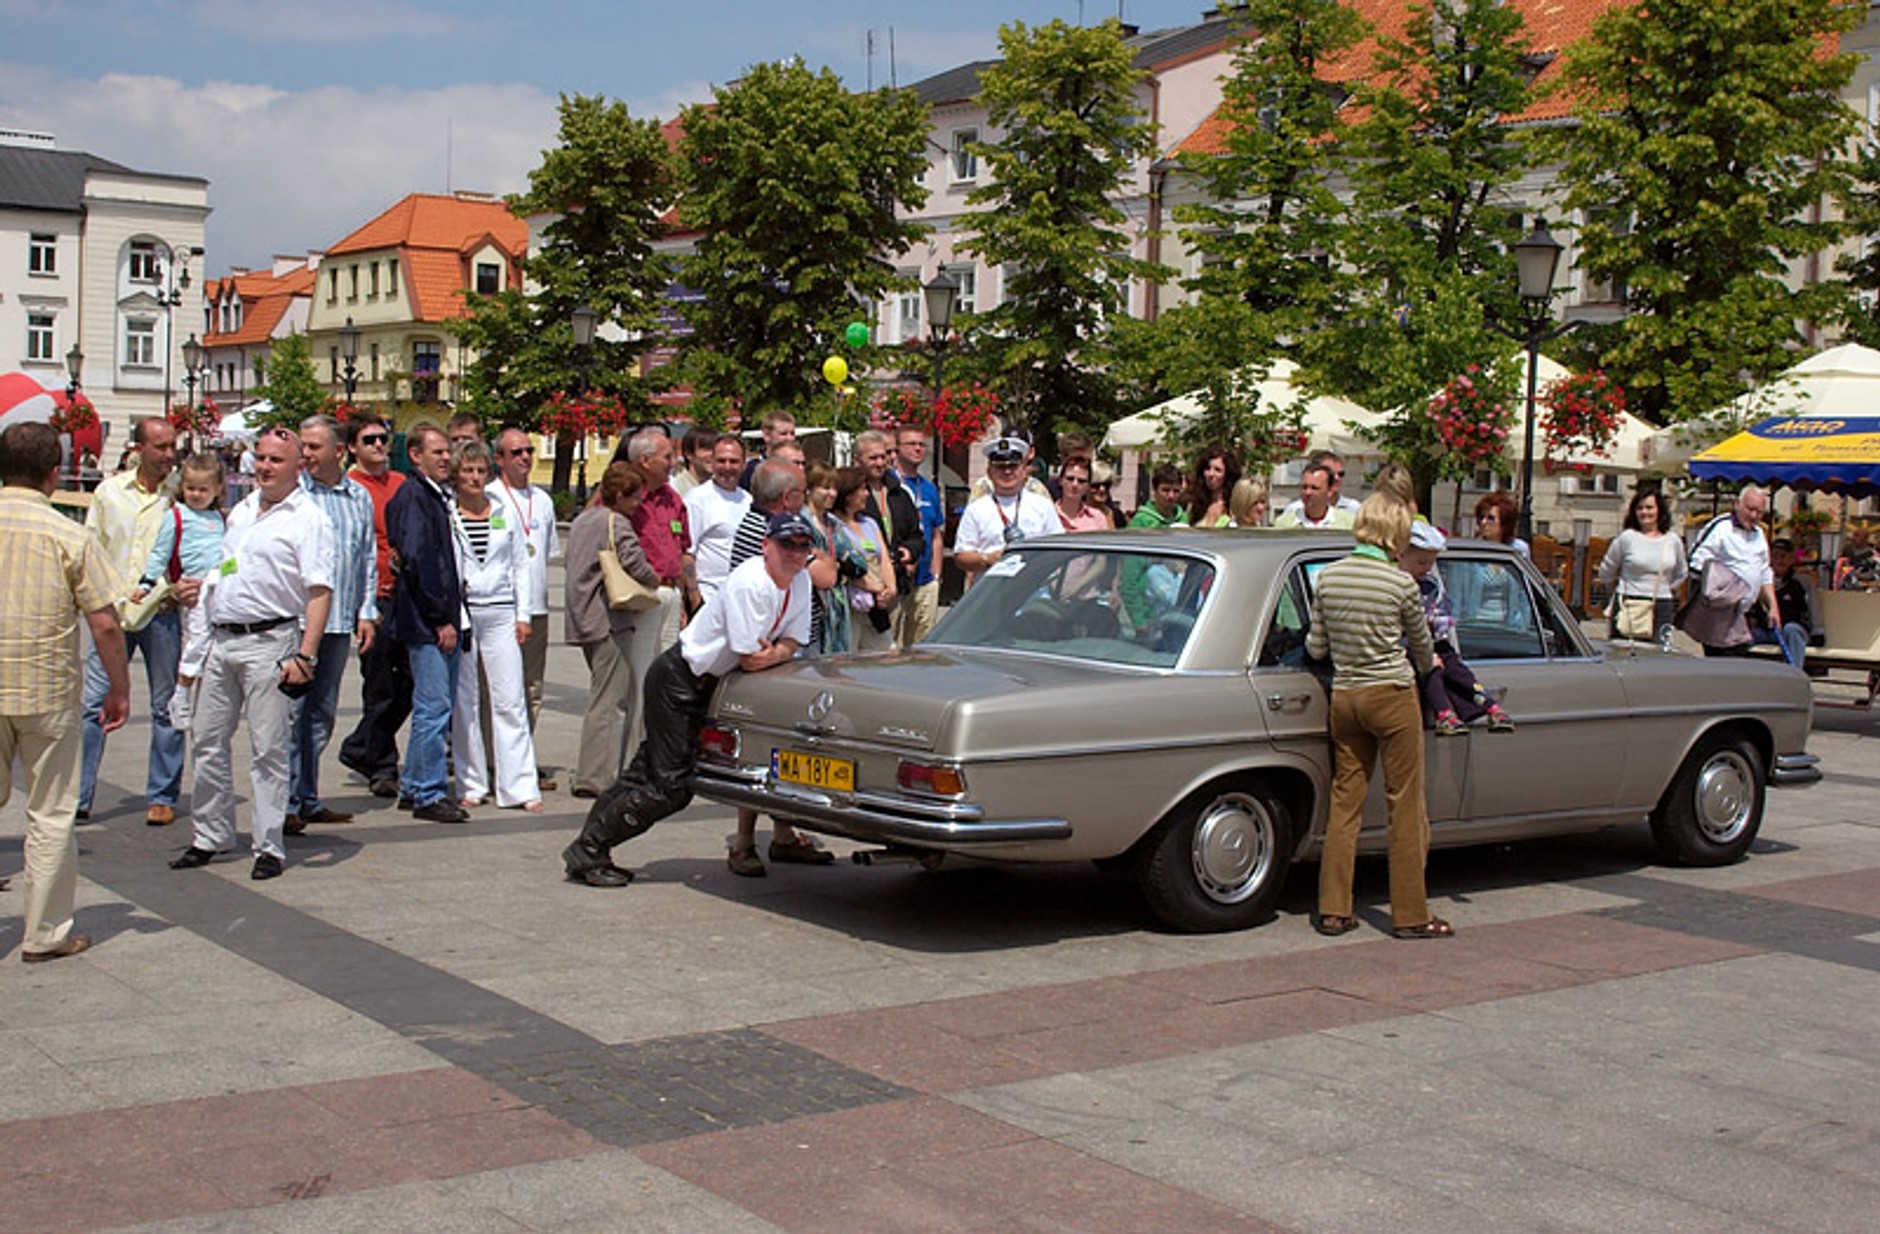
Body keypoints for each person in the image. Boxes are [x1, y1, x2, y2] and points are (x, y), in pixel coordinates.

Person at [561, 512, 816, 887]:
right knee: (671, 787)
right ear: (766, 546)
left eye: (803, 546)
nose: (795, 553)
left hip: (704, 684)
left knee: (644, 771)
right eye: (786, 544)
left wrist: (776, 651)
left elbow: (794, 643)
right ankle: (590, 848)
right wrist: (780, 651)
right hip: (679, 680)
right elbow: (751, 657)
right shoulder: (751, 582)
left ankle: (589, 847)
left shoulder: (801, 582)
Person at [169, 426, 334, 881]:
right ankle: (210, 834)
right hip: (223, 638)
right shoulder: (242, 510)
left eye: (275, 460)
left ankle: (269, 844)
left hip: (270, 641)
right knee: (206, 741)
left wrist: (306, 654)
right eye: (260, 458)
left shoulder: (309, 518)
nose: (263, 467)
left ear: (297, 466)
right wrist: (205, 587)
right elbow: (232, 568)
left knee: (268, 749)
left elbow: (320, 590)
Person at [1, 422, 130, 961]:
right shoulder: (69, 535)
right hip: (45, 688)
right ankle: (45, 933)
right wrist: (118, 689)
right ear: (54, 474)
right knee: (51, 812)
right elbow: (104, 622)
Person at [1307, 492, 1450, 940]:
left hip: (1345, 697)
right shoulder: (1400, 583)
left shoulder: (1329, 578)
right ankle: (1410, 914)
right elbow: (1422, 648)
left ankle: (1333, 909)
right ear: (1394, 531)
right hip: (1391, 693)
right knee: (1404, 804)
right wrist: (1432, 668)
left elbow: (1316, 646)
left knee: (1345, 804)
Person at [723, 459, 837, 877]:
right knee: (759, 745)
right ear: (788, 497)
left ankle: (784, 833)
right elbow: (826, 573)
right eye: (803, 492)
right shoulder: (770, 532)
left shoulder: (770, 526)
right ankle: (745, 842)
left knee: (786, 745)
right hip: (759, 658)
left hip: (780, 651)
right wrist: (781, 652)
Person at [78, 416, 182, 826]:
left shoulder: (182, 493)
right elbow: (91, 549)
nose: (169, 455)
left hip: (161, 610)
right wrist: (93, 603)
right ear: (139, 448)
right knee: (92, 706)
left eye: (173, 446)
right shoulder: (109, 493)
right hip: (115, 612)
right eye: (160, 447)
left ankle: (162, 794)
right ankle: (81, 794)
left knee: (167, 706)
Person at [283, 415, 378, 834]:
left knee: (320, 713)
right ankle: (285, 801)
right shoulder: (293, 496)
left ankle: (307, 795)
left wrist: (367, 610)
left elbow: (367, 556)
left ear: (339, 451)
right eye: (303, 446)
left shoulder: (356, 496)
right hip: (299, 622)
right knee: (290, 712)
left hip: (339, 622)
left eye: (313, 447)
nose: (305, 454)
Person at [444, 439, 540, 812]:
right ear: (456, 474)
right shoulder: (448, 513)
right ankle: (471, 783)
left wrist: (523, 614)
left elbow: (520, 564)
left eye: (481, 470)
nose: (474, 477)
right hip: (467, 612)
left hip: (501, 610)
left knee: (510, 698)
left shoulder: (503, 510)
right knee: (465, 701)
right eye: (467, 470)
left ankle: (519, 786)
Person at [384, 425, 467, 823]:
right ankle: (428, 792)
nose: (444, 458)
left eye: (446, 451)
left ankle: (416, 784)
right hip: (426, 621)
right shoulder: (415, 496)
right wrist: (441, 619)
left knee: (433, 705)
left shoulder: (434, 496)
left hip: (436, 616)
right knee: (434, 707)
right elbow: (419, 561)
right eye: (436, 452)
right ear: (415, 455)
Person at [565, 462, 661, 798]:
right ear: (620, 496)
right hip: (608, 618)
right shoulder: (616, 522)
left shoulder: (582, 520)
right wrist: (655, 579)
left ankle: (593, 772)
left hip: (582, 619)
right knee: (610, 701)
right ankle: (596, 778)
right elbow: (635, 563)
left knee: (601, 695)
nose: (638, 505)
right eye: (635, 498)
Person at [337, 413, 409, 799]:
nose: (379, 445)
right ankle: (381, 763)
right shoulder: (350, 488)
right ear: (352, 447)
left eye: (383, 439)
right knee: (379, 682)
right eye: (369, 440)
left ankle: (360, 745)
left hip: (404, 594)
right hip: (373, 597)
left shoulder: (400, 483)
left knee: (411, 682)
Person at [129, 452, 226, 735]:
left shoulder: (220, 518)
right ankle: (181, 692)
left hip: (221, 584)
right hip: (196, 587)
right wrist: (146, 584)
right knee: (198, 638)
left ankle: (204, 699)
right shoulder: (176, 515)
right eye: (190, 488)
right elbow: (159, 553)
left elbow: (232, 553)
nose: (195, 494)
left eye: (203, 489)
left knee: (215, 649)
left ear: (218, 490)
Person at [622, 428, 695, 772]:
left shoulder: (672, 498)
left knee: (666, 678)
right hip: (642, 596)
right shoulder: (626, 496)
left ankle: (658, 751)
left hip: (670, 593)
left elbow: (683, 550)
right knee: (638, 680)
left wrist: (687, 597)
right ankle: (631, 756)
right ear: (644, 460)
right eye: (667, 457)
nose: (673, 462)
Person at [1401, 521, 1515, 735]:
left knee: (1452, 662)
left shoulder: (1430, 585)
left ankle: (1488, 705)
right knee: (1430, 667)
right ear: (1400, 556)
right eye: (1421, 563)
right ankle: (1444, 713)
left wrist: (1436, 623)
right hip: (1408, 648)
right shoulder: (1397, 585)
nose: (1425, 569)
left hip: (1431, 641)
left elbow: (1443, 612)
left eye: (1430, 563)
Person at [493, 427, 560, 789]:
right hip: (502, 607)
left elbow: (546, 553)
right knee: (500, 689)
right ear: (499, 459)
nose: (524, 458)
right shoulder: (490, 497)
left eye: (529, 451)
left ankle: (523, 760)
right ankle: (495, 760)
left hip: (537, 606)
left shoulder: (543, 500)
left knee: (532, 689)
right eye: (515, 452)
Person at [954, 433, 1062, 587]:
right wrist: (987, 559)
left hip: (1033, 589)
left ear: (1024, 470)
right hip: (990, 589)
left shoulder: (1042, 506)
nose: (1007, 472)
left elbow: (1057, 548)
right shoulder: (976, 509)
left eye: (1013, 466)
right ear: (989, 472)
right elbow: (961, 556)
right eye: (1000, 467)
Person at [1687, 485, 1780, 658]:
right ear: (1737, 504)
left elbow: (1764, 571)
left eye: (1759, 512)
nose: (1753, 516)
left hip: (1746, 614)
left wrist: (1773, 607)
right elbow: (1696, 563)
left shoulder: (1759, 534)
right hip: (1720, 615)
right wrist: (1725, 587)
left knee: (1740, 667)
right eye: (1750, 509)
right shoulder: (1721, 528)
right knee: (1722, 668)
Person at [856, 428, 924, 647]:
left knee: (891, 648)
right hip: (864, 588)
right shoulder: (851, 493)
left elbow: (916, 535)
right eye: (872, 458)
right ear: (858, 460)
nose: (879, 462)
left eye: (883, 456)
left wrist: (909, 551)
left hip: (895, 583)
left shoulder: (899, 494)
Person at [1597, 488, 1687, 643]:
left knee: (1658, 656)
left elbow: (1682, 572)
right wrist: (1620, 588)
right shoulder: (1627, 538)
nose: (1645, 512)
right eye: (1640, 508)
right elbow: (1606, 571)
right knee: (1623, 652)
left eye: (1649, 507)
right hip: (1629, 604)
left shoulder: (1672, 540)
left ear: (1659, 510)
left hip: (1661, 604)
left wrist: (1666, 587)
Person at [833, 465, 898, 650]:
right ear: (847, 495)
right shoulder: (833, 526)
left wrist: (890, 588)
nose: (867, 494)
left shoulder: (869, 523)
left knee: (886, 654)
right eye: (862, 489)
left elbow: (884, 559)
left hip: (876, 607)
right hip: (850, 606)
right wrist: (868, 585)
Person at [892, 424, 945, 648]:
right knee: (891, 642)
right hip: (898, 576)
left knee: (922, 643)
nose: (918, 449)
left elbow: (936, 534)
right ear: (897, 449)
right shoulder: (890, 485)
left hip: (925, 579)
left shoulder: (929, 488)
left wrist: (936, 574)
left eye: (922, 445)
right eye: (911, 444)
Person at [684, 433, 751, 603]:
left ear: (744, 464)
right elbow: (686, 553)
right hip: (710, 596)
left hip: (743, 597)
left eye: (733, 461)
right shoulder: (696, 499)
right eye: (721, 461)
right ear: (712, 463)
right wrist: (694, 598)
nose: (727, 467)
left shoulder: (749, 500)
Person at [1754, 537, 1816, 666]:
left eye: (1783, 557)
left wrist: (1818, 631)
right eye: (1775, 557)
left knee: (1791, 629)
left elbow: (1814, 607)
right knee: (1745, 636)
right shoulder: (1760, 581)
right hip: (1769, 632)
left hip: (1794, 630)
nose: (1778, 561)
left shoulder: (1801, 581)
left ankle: (1794, 673)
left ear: (1791, 559)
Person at [1277, 449, 1360, 522]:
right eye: (1331, 473)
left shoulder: (1354, 509)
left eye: (1340, 474)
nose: (1336, 478)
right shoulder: (1294, 510)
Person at [1274, 462, 1353, 529]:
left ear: (1329, 491)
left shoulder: (1348, 524)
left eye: (1314, 488)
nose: (1308, 492)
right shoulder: (1283, 524)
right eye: (1304, 487)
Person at [738, 409, 797, 491]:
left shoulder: (798, 466)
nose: (790, 438)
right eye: (783, 434)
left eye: (792, 433)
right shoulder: (753, 469)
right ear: (767, 435)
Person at [1187, 446, 1240, 528]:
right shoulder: (1194, 504)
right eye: (1208, 468)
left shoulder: (1235, 506)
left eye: (1217, 470)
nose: (1211, 474)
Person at [1054, 456, 1111, 532]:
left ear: (1088, 486)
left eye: (1081, 481)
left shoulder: (1097, 518)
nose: (1075, 484)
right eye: (1070, 479)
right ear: (1060, 481)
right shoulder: (1048, 515)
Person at [1472, 490, 1528, 557]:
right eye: (1481, 517)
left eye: (1490, 518)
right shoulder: (1475, 548)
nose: (1483, 522)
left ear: (1505, 522)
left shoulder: (1519, 548)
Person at [673, 424, 716, 495]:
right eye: (706, 449)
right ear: (689, 454)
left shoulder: (721, 489)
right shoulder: (675, 489)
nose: (712, 454)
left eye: (715, 449)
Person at [1088, 460, 1127, 529]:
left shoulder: (1117, 516)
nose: (1102, 489)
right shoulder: (1075, 514)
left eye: (1107, 485)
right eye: (1096, 485)